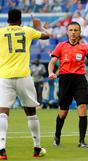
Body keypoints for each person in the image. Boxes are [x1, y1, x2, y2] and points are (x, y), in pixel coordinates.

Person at [0, 9, 50, 160]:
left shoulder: (1, 32)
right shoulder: (28, 31)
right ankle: (37, 148)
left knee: (2, 112)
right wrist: (39, 26)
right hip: (24, 76)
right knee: (31, 113)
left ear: (7, 20)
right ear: (21, 20)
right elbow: (46, 35)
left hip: (5, 77)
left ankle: (1, 149)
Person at [48, 21, 88, 148]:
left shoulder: (84, 47)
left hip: (79, 80)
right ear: (67, 32)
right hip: (65, 80)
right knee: (63, 113)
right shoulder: (61, 46)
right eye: (71, 30)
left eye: (76, 30)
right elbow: (52, 61)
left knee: (82, 108)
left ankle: (82, 141)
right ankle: (57, 135)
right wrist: (51, 72)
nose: (73, 32)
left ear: (80, 32)